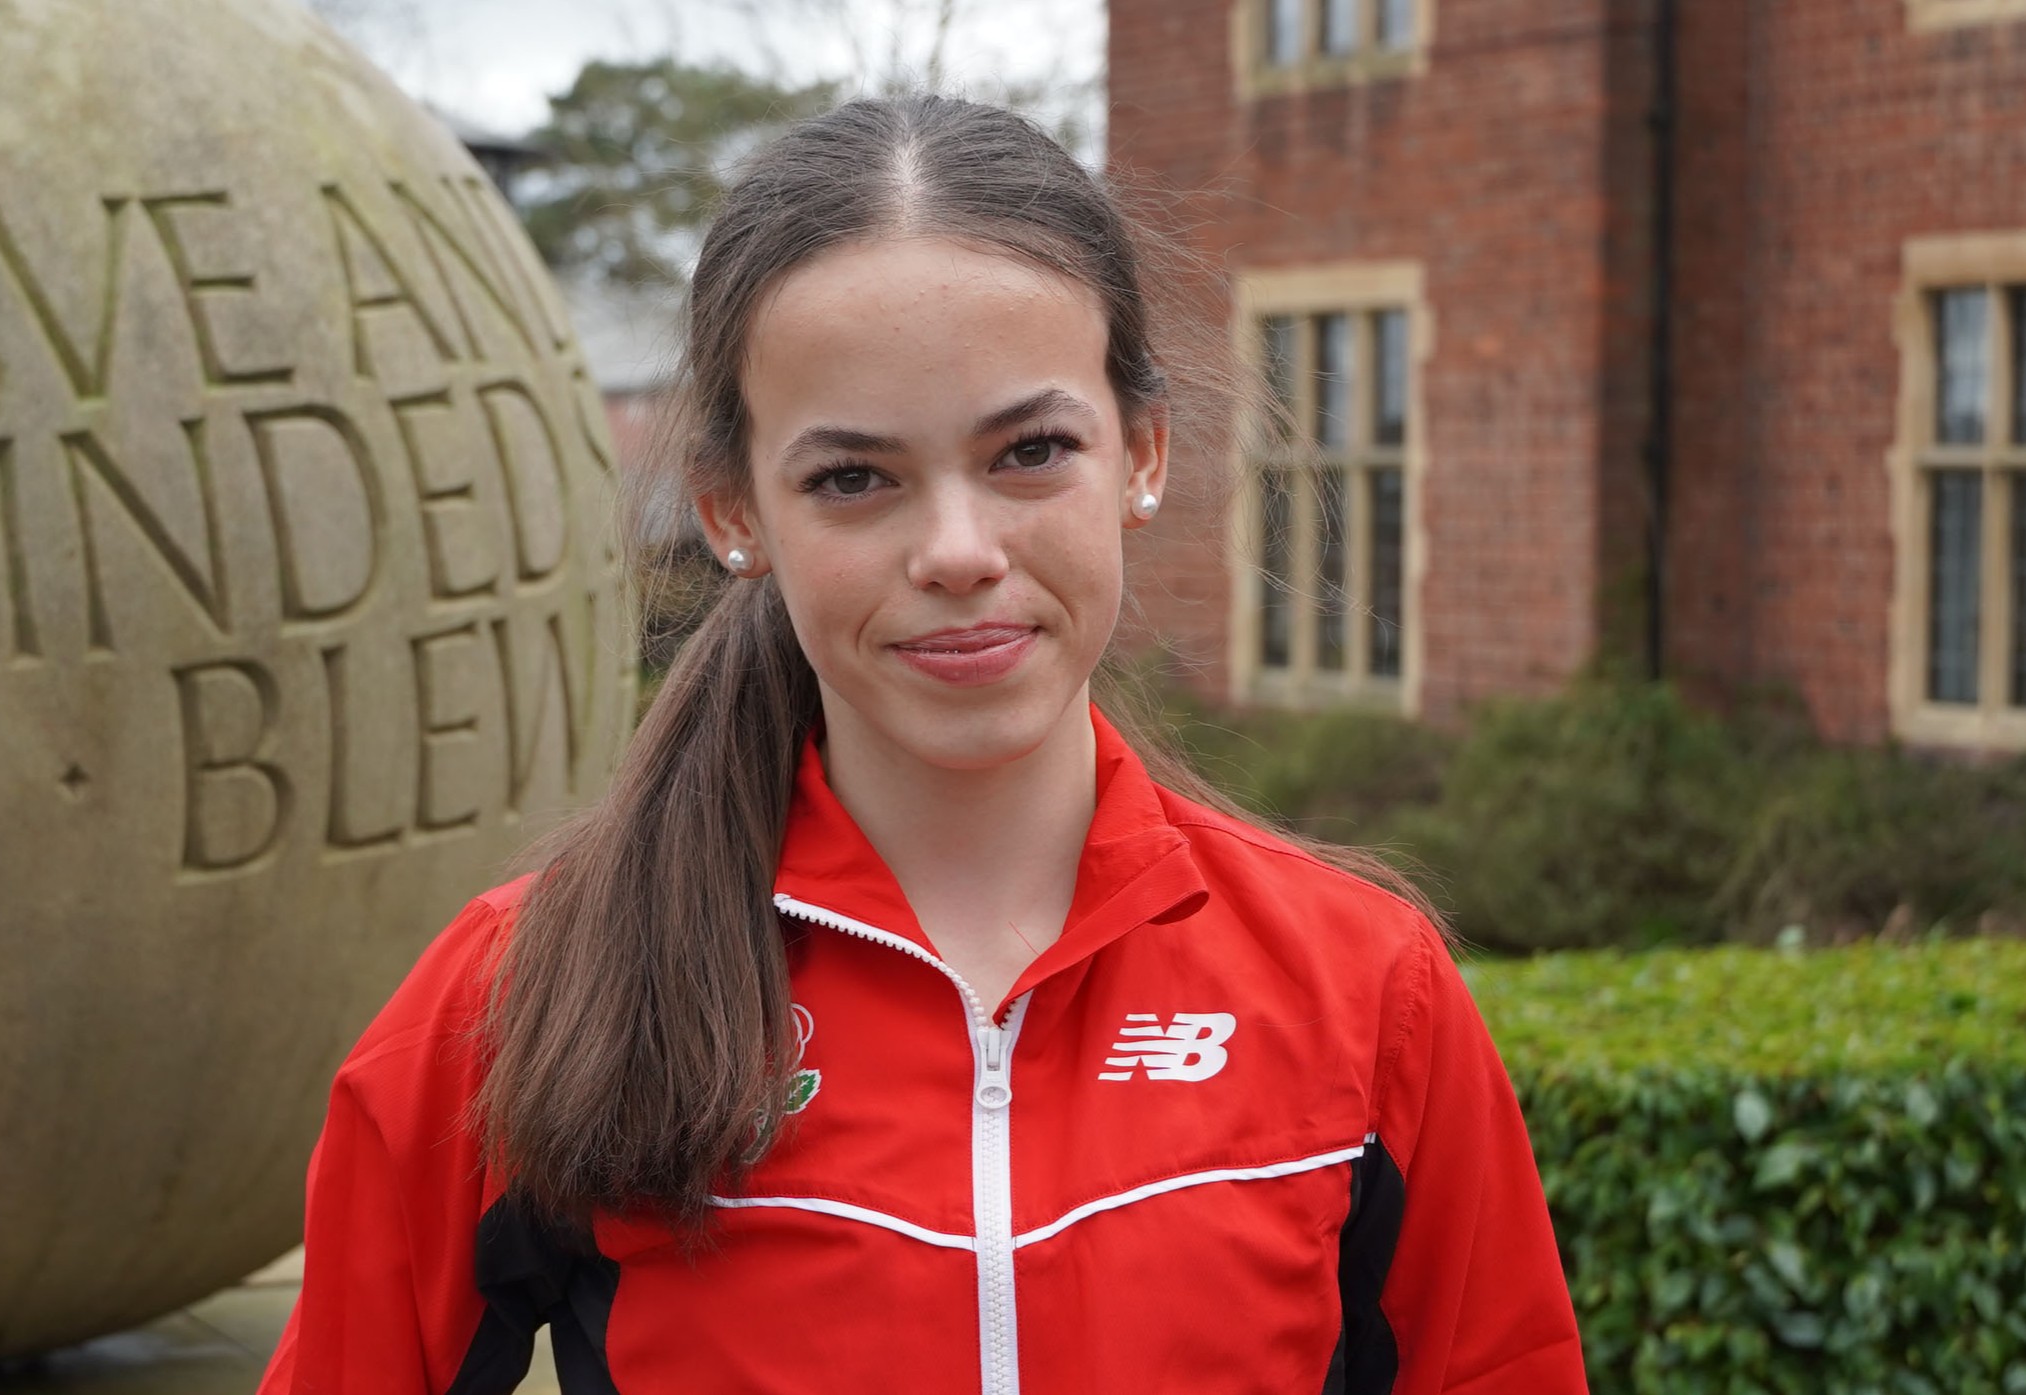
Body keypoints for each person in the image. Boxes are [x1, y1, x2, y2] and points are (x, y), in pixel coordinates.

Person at [258, 94, 1589, 1395]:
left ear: (1141, 452)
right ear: (733, 511)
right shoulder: (528, 991)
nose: (957, 552)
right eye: (853, 478)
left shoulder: (1366, 991)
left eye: (1030, 451)